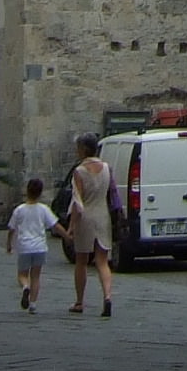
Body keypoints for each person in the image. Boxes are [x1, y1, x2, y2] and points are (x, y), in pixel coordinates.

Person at [66, 135, 115, 317]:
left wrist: (71, 226)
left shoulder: (79, 171)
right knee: (102, 261)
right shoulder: (107, 168)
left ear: (83, 149)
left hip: (86, 217)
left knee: (81, 261)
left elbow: (77, 203)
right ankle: (107, 296)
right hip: (102, 215)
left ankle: (79, 301)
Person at [3, 177, 57, 312]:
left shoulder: (19, 209)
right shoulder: (44, 209)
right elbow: (55, 225)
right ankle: (33, 304)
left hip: (25, 247)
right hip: (40, 247)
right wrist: (67, 236)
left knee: (22, 275)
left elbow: (11, 229)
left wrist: (9, 244)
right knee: (36, 276)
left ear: (27, 191)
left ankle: (25, 287)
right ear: (40, 193)